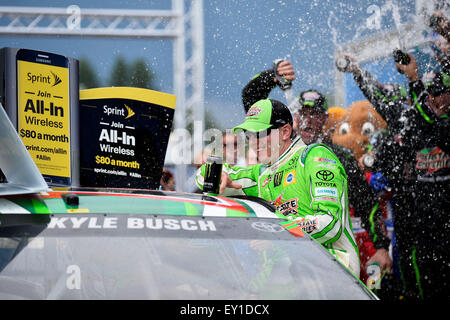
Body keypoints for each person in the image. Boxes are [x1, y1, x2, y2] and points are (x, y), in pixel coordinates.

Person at [241, 61, 392, 277]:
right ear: (295, 120)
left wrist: (381, 248)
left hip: (326, 256)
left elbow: (367, 203)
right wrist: (272, 77)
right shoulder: (279, 146)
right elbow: (251, 99)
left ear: (325, 119)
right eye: (304, 114)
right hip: (283, 255)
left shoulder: (338, 156)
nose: (309, 120)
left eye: (315, 115)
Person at [196, 98, 360, 277]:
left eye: (260, 133)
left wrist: (277, 234)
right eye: (249, 135)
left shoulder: (314, 156)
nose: (253, 142)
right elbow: (203, 175)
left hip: (335, 277)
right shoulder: (261, 175)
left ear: (285, 132)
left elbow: (330, 224)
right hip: (288, 281)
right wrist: (219, 174)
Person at [366, 52, 449, 300]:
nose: (434, 98)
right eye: (431, 93)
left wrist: (414, 80)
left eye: (440, 92)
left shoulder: (439, 124)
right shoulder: (416, 125)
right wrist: (358, 74)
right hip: (423, 231)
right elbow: (384, 105)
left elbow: (434, 124)